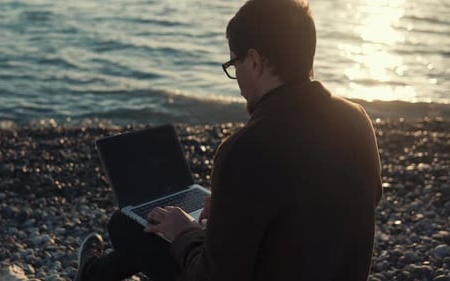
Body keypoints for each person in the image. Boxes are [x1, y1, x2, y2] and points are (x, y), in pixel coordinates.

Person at [74, 0, 383, 280]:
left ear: (254, 60)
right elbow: (329, 207)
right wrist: (231, 212)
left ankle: (92, 274)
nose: (237, 79)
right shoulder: (356, 119)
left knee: (127, 226)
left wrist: (185, 233)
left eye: (234, 65)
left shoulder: (244, 149)